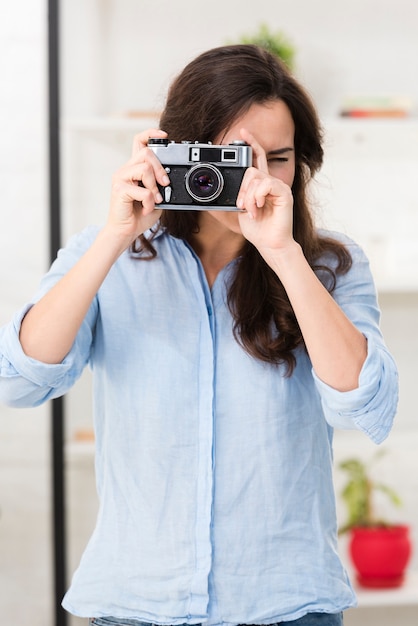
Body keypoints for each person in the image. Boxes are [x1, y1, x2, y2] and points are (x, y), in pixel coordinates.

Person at [0, 45, 398, 626]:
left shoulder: (328, 265)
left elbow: (366, 403)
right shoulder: (105, 255)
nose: (255, 179)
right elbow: (18, 378)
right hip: (135, 604)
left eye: (277, 158)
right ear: (177, 152)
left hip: (286, 605)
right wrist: (115, 236)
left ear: (302, 163)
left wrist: (283, 253)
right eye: (232, 158)